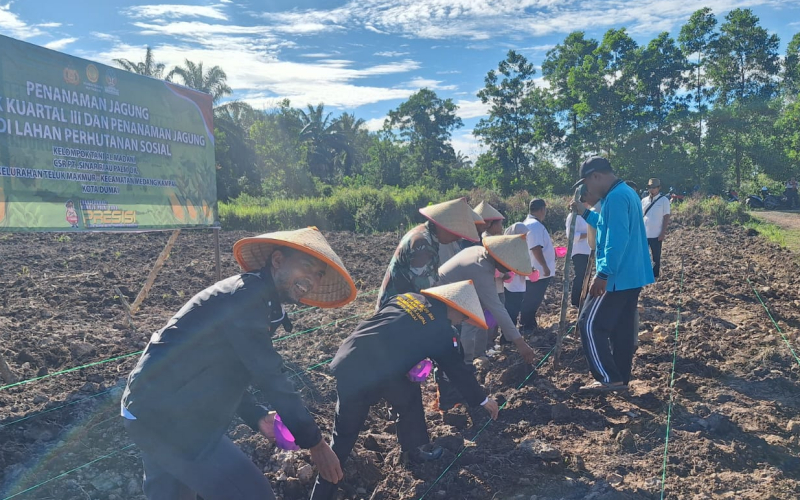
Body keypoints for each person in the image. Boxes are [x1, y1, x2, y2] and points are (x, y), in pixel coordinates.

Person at [121, 227, 357, 500]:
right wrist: (315, 443)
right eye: (307, 266)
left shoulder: (258, 300)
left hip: (150, 408)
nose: (313, 280)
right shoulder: (246, 298)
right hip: (168, 417)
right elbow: (270, 375)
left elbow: (224, 370)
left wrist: (255, 415)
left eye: (318, 274)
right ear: (277, 260)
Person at [309, 281, 500, 500]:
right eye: (464, 317)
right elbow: (456, 370)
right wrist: (483, 399)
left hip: (351, 357)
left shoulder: (407, 297)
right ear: (455, 307)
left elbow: (390, 328)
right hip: (363, 372)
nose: (462, 321)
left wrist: (407, 357)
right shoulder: (442, 330)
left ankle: (413, 451)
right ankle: (322, 493)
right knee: (345, 435)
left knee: (408, 394)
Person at [570, 157, 654, 392]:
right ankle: (620, 378)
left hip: (617, 276)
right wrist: (584, 213)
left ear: (596, 176)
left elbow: (616, 240)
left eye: (587, 183)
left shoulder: (616, 198)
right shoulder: (625, 193)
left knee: (588, 324)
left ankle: (607, 377)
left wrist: (603, 273)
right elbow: (607, 226)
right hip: (632, 275)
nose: (588, 189)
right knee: (621, 329)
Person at [437, 235, 538, 367]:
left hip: (454, 293)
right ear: (501, 259)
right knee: (468, 325)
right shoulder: (481, 269)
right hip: (443, 299)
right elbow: (497, 308)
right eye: (509, 266)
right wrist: (520, 343)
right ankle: (465, 363)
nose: (509, 270)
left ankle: (472, 357)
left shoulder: (479, 252)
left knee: (475, 321)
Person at [377, 198, 480, 310]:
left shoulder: (427, 235)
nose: (458, 238)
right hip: (396, 310)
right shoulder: (422, 243)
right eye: (456, 233)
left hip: (404, 306)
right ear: (444, 226)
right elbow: (425, 292)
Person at [519, 199, 555, 334]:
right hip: (537, 271)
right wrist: (545, 266)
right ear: (542, 209)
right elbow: (535, 248)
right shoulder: (534, 225)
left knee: (532, 298)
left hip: (534, 269)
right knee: (532, 299)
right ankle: (526, 325)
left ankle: (529, 323)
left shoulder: (530, 223)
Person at [502, 222, 529, 333]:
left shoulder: (521, 247)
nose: (525, 237)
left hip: (519, 285)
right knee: (511, 312)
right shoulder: (509, 248)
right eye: (523, 235)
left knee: (515, 310)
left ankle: (510, 334)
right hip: (511, 285)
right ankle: (507, 336)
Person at [641, 178, 670, 278]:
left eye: (654, 187)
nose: (652, 189)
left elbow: (666, 217)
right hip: (644, 233)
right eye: (649, 187)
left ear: (659, 188)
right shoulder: (644, 200)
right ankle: (644, 273)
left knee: (656, 256)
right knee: (643, 255)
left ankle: (655, 275)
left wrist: (662, 233)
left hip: (656, 234)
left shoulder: (664, 200)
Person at [565, 209, 591, 308]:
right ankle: (575, 301)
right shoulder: (573, 216)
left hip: (588, 250)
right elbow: (571, 235)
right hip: (579, 251)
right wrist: (589, 234)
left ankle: (584, 299)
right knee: (580, 275)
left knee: (587, 275)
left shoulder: (586, 215)